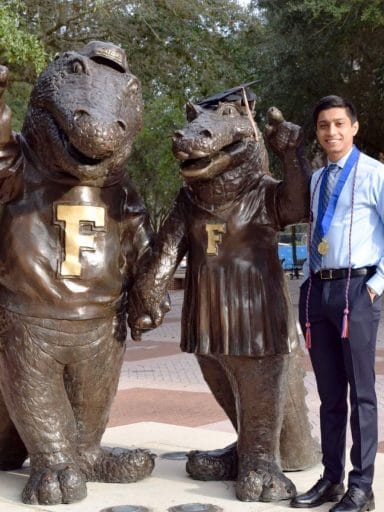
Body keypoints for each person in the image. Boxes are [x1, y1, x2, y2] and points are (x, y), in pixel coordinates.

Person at [291, 95, 384, 511]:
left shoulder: (374, 174)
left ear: (354, 127)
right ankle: (331, 479)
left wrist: (376, 285)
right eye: (324, 126)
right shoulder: (317, 178)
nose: (332, 132)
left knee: (361, 393)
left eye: (339, 124)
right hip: (319, 290)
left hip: (356, 291)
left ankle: (361, 485)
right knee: (329, 394)